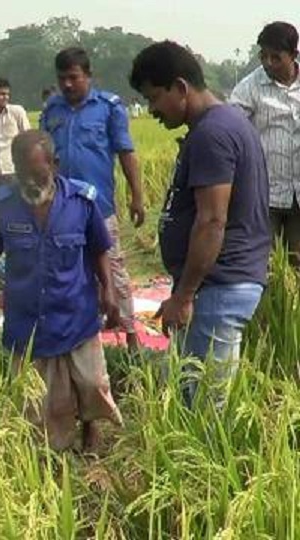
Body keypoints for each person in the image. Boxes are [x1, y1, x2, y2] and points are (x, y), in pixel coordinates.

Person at [0, 130, 122, 452]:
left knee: (91, 383)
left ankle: (89, 425)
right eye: (22, 174)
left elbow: (100, 250)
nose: (30, 181)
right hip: (27, 320)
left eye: (38, 174)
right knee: (39, 400)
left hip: (76, 313)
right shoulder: (2, 208)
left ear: (55, 165)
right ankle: (50, 449)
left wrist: (109, 292)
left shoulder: (82, 202)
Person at [130, 41, 270, 407]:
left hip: (219, 285)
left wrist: (185, 295)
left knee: (206, 409)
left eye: (154, 97)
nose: (152, 110)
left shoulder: (213, 134)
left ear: (180, 86)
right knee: (192, 395)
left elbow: (212, 221)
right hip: (215, 285)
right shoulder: (220, 125)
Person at [40, 47, 145, 352]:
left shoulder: (109, 107)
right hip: (62, 209)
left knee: (113, 269)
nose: (68, 85)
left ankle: (130, 336)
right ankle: (79, 334)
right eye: (62, 79)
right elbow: (42, 156)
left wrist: (137, 196)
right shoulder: (52, 111)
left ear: (88, 76)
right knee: (70, 272)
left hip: (100, 207)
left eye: (74, 77)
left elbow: (126, 153)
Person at [229, 22, 300, 266]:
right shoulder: (249, 88)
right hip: (264, 194)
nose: (268, 63)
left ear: (294, 55)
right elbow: (229, 126)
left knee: (296, 264)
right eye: (264, 56)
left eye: (276, 57)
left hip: (299, 193)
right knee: (263, 265)